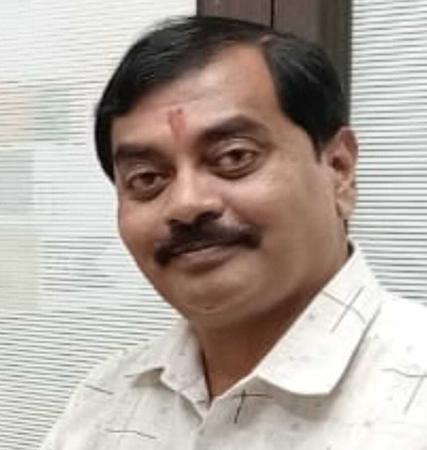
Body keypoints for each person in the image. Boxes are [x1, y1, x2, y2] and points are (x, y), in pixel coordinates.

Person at [41, 16, 427, 449]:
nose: (186, 204)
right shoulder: (105, 402)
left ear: (339, 169)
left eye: (234, 157)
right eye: (147, 179)